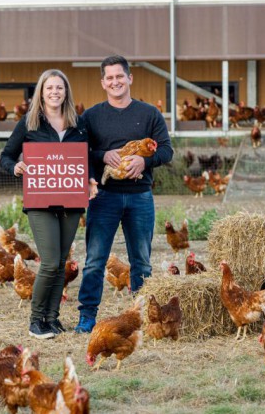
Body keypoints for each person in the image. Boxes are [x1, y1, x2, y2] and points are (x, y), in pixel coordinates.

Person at [75, 55, 173, 334]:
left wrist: (145, 161)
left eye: (120, 76)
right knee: (95, 259)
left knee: (141, 260)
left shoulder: (149, 114)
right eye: (110, 78)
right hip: (104, 197)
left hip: (140, 196)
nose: (115, 82)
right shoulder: (91, 117)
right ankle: (87, 316)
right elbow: (80, 152)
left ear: (130, 78)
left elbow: (166, 150)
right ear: (103, 82)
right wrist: (102, 155)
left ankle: (141, 315)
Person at [0, 69, 96, 339]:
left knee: (61, 262)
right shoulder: (29, 123)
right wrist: (15, 166)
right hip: (40, 200)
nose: (55, 92)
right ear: (41, 92)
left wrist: (90, 179)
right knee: (51, 261)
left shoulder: (79, 124)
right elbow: (5, 156)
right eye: (49, 87)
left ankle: (52, 318)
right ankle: (35, 320)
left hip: (71, 201)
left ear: (66, 92)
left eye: (59, 88)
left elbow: (87, 159)